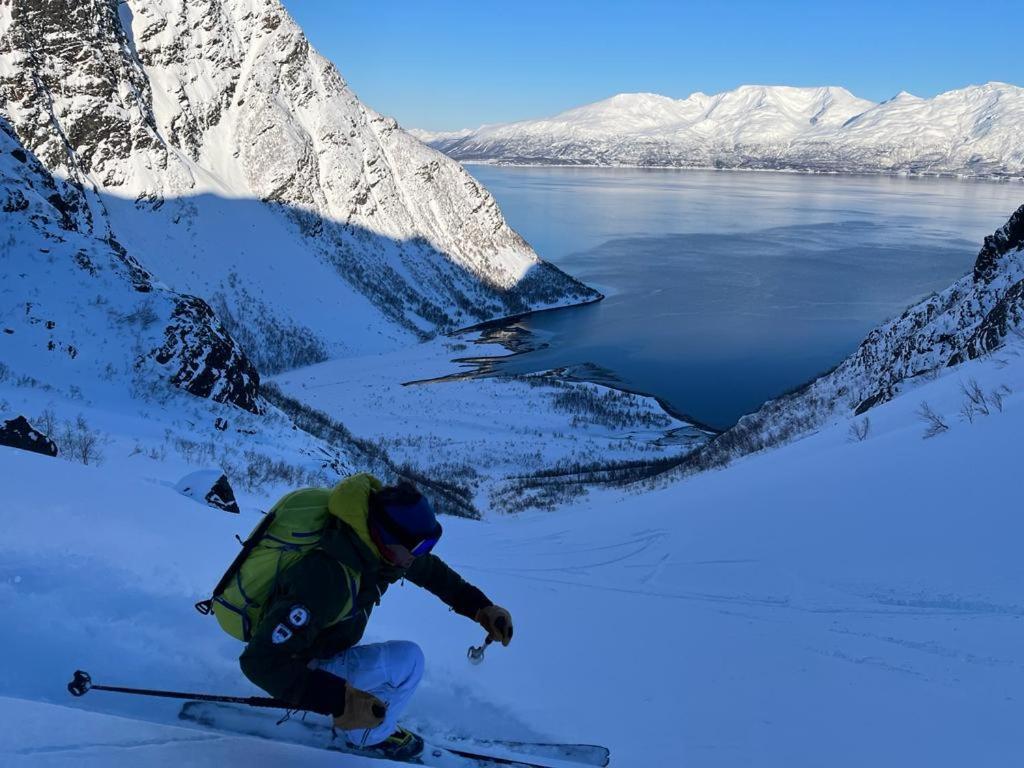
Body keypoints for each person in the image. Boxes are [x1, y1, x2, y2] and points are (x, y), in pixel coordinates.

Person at [238, 474, 514, 760]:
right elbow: (260, 662)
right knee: (410, 660)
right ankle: (367, 735)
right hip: (298, 665)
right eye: (418, 548)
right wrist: (341, 701)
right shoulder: (326, 577)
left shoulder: (373, 544)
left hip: (318, 645)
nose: (420, 555)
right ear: (388, 538)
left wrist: (481, 608)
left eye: (427, 547)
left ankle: (350, 702)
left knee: (394, 664)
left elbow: (431, 572)